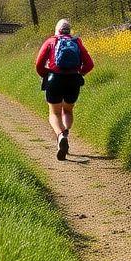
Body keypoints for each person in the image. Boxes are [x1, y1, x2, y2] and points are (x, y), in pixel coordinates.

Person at [34, 18, 94, 160]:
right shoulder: (77, 42)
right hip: (73, 80)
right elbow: (89, 64)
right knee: (67, 110)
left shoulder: (51, 41)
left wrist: (46, 75)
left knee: (54, 113)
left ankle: (60, 136)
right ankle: (66, 132)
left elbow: (38, 64)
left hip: (54, 79)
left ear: (57, 30)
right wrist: (80, 73)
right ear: (69, 30)